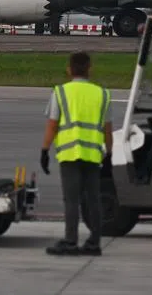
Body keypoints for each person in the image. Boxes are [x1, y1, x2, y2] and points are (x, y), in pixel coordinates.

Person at [40, 51, 113, 256]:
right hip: (93, 155)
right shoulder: (102, 94)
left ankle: (70, 241)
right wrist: (109, 153)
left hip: (70, 154)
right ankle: (94, 242)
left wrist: (45, 150)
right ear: (90, 69)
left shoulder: (61, 92)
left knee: (71, 199)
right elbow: (107, 129)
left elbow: (52, 125)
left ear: (69, 70)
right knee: (93, 199)